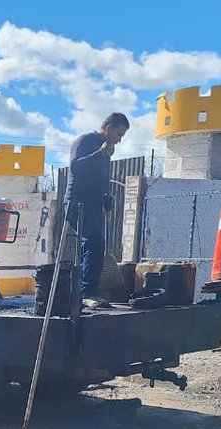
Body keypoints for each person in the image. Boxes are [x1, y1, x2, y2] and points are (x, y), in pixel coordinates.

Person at [66, 112, 129, 309]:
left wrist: (106, 196)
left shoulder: (106, 152)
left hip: (94, 204)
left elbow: (99, 178)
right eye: (118, 134)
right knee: (94, 244)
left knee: (94, 247)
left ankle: (86, 291)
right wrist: (100, 154)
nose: (119, 141)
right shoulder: (85, 141)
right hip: (79, 203)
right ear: (109, 128)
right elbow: (76, 167)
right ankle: (87, 293)